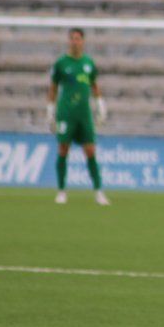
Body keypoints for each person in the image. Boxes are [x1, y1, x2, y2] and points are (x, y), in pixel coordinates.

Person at [47, 28, 109, 205]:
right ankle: (61, 191)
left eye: (78, 39)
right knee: (63, 149)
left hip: (84, 114)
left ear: (83, 41)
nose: (75, 42)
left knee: (90, 151)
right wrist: (50, 110)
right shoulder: (61, 63)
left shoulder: (88, 63)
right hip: (66, 113)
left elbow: (95, 86)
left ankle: (98, 191)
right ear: (69, 41)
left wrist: (100, 106)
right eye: (72, 39)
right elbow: (52, 88)